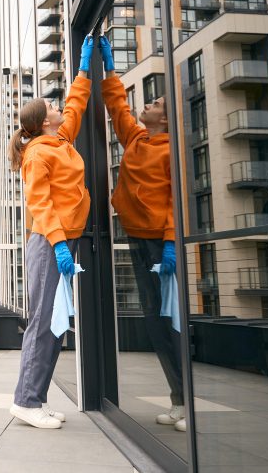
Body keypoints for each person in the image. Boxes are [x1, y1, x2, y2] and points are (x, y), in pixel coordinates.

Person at [98, 36, 186, 432]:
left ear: (164, 119)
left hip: (159, 243)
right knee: (154, 319)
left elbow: (177, 200)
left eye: (154, 105)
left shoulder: (171, 151)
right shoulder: (136, 138)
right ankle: (179, 400)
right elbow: (116, 106)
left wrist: (169, 242)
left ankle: (185, 401)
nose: (146, 105)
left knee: (168, 320)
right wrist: (109, 68)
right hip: (137, 237)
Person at [7, 36, 95, 429]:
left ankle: (36, 398)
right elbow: (40, 205)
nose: (60, 108)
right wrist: (60, 245)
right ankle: (26, 401)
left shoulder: (61, 141)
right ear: (44, 121)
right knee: (44, 322)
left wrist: (84, 70)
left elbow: (75, 105)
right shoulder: (38, 154)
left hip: (62, 241)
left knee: (55, 322)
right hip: (49, 242)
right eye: (52, 107)